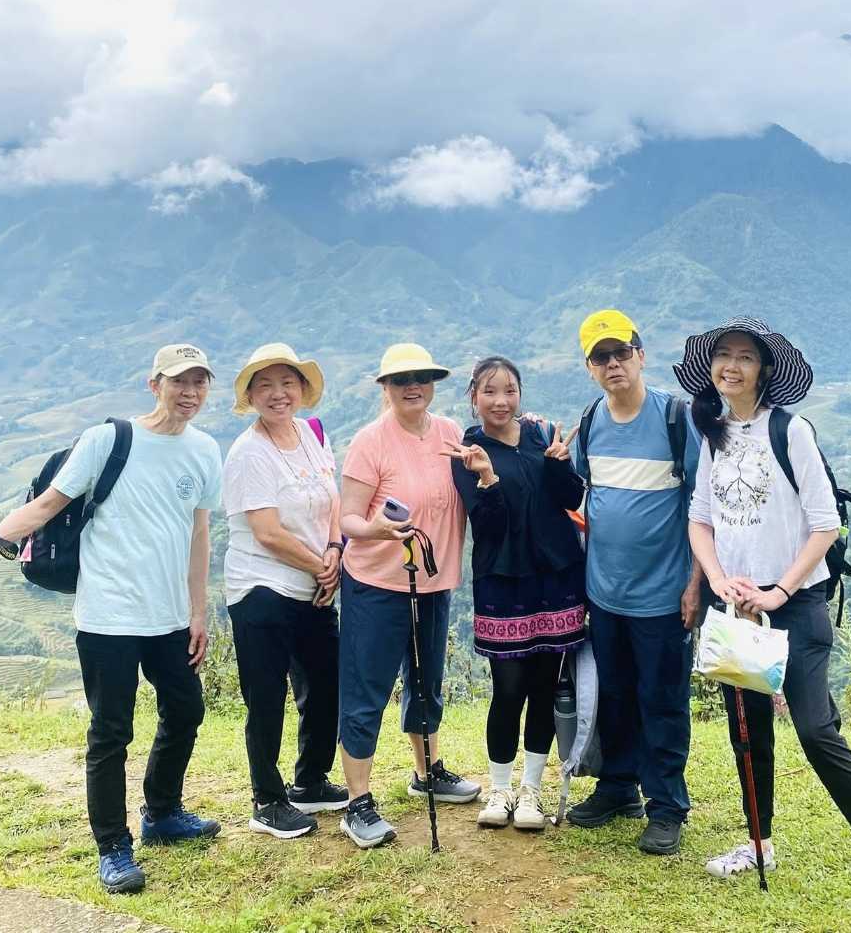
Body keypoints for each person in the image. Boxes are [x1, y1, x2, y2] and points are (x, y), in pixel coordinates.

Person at [676, 316, 851, 927]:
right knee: (748, 731)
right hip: (738, 604)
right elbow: (699, 517)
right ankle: (759, 844)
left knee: (817, 731)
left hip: (796, 605)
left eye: (745, 357)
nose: (732, 366)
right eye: (724, 355)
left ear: (764, 369)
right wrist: (721, 579)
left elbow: (825, 525)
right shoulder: (712, 433)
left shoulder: (790, 430)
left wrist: (779, 590)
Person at [0, 344, 223, 894]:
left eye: (199, 382)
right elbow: (50, 503)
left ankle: (163, 814)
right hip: (108, 616)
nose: (189, 392)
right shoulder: (107, 440)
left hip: (170, 615)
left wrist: (198, 611)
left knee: (187, 710)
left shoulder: (204, 450)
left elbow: (199, 535)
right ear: (154, 385)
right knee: (111, 732)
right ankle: (113, 846)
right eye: (178, 381)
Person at [565, 309, 702, 856]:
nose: (614, 363)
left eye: (622, 352)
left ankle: (666, 805)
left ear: (641, 356)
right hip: (606, 596)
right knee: (616, 696)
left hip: (664, 598)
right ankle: (618, 787)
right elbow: (584, 491)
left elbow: (704, 507)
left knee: (662, 700)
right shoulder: (593, 420)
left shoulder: (676, 418)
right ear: (590, 368)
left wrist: (697, 584)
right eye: (602, 357)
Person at [335, 343, 482, 848]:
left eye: (421, 377)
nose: (412, 386)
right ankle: (357, 802)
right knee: (366, 691)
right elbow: (348, 520)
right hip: (376, 585)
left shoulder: (449, 433)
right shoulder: (370, 442)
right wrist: (376, 529)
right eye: (401, 380)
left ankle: (427, 770)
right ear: (386, 388)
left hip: (433, 583)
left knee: (426, 681)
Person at [445, 356, 587, 831]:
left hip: (556, 579)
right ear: (474, 398)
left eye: (509, 390)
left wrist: (561, 465)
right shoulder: (468, 451)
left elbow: (569, 500)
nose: (500, 401)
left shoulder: (542, 438)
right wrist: (487, 478)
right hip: (504, 581)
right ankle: (500, 789)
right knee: (507, 689)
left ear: (520, 393)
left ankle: (531, 791)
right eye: (490, 391)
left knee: (544, 687)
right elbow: (487, 528)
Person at [222, 343, 349, 841]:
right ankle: (267, 799)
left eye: (287, 383)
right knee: (267, 695)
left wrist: (335, 549)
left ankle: (310, 781)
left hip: (313, 584)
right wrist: (323, 567)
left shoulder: (310, 434)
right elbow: (267, 532)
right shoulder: (248, 453)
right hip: (262, 589)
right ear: (251, 395)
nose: (278, 394)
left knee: (324, 684)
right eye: (266, 385)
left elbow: (332, 497)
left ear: (301, 390)